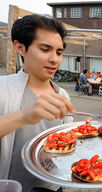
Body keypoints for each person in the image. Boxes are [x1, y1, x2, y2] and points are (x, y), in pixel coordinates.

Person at [0, 14, 75, 191]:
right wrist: (23, 116)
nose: (54, 59)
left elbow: (66, 144)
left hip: (54, 186)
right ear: (20, 47)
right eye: (44, 49)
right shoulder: (3, 88)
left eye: (59, 52)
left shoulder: (62, 94)